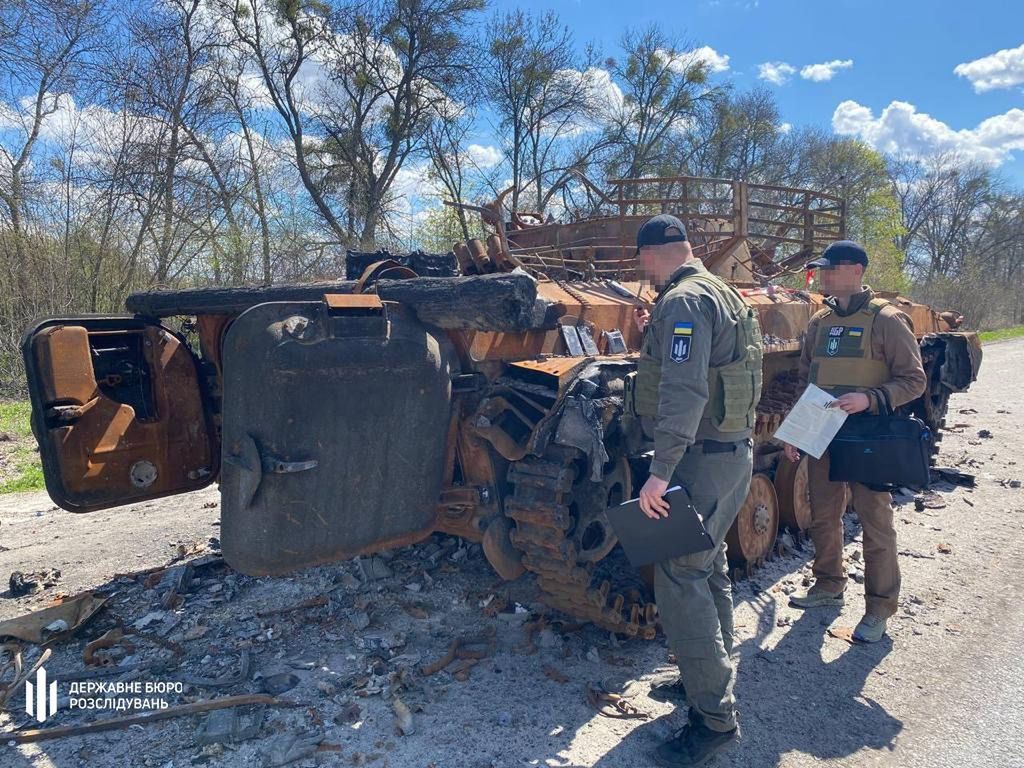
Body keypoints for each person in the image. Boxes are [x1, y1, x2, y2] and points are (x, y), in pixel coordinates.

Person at [631, 214, 763, 767]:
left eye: (641, 259)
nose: (640, 268)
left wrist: (659, 472)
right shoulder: (721, 291)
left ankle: (713, 721)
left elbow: (684, 389)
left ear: (654, 253)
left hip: (699, 460)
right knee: (708, 571)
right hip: (728, 455)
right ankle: (703, 679)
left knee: (680, 575)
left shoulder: (684, 300)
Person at [784, 240, 926, 642]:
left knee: (874, 521)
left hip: (869, 436)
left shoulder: (887, 320)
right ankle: (829, 584)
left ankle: (879, 608)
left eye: (833, 267)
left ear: (857, 270)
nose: (825, 275)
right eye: (823, 268)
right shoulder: (819, 322)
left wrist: (870, 398)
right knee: (823, 514)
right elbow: (805, 381)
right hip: (824, 432)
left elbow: (914, 381)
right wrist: (796, 432)